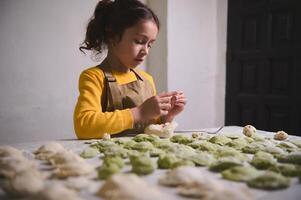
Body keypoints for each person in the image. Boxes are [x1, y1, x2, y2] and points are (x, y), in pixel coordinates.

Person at [74, 0, 186, 139]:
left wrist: (167, 117)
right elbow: (84, 126)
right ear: (113, 36)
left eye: (150, 44)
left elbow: (151, 128)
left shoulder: (147, 79)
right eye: (139, 41)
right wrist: (139, 113)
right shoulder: (94, 77)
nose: (145, 51)